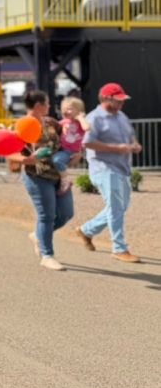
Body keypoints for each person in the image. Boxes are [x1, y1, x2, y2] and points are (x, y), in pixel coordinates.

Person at [75, 82, 142, 263]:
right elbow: (87, 143)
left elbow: (130, 135)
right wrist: (116, 148)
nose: (122, 103)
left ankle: (86, 230)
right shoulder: (94, 118)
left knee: (121, 208)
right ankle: (119, 249)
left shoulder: (121, 116)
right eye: (118, 100)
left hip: (122, 168)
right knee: (115, 208)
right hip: (103, 168)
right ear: (106, 99)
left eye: (122, 100)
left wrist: (133, 144)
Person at [12, 90, 74, 271]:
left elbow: (66, 142)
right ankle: (47, 255)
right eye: (47, 103)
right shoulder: (21, 125)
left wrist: (74, 152)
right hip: (36, 177)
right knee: (46, 216)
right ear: (39, 105)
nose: (49, 106)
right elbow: (8, 152)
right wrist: (26, 160)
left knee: (66, 214)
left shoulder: (51, 122)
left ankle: (37, 235)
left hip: (58, 175)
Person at [52, 96, 88, 195]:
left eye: (69, 109)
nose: (66, 111)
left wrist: (81, 118)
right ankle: (60, 179)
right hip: (63, 150)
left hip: (71, 152)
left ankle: (65, 180)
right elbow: (53, 127)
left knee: (56, 160)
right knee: (54, 159)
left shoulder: (80, 122)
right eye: (64, 109)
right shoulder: (64, 122)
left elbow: (87, 128)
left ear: (79, 110)